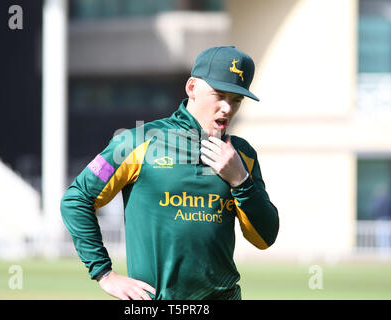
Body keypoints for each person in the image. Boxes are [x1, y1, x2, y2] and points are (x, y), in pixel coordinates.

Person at [60, 46, 280, 300]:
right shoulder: (134, 142)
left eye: (236, 100)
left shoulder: (242, 155)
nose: (227, 108)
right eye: (219, 95)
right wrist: (104, 273)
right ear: (191, 88)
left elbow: (265, 237)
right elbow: (76, 199)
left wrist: (240, 181)